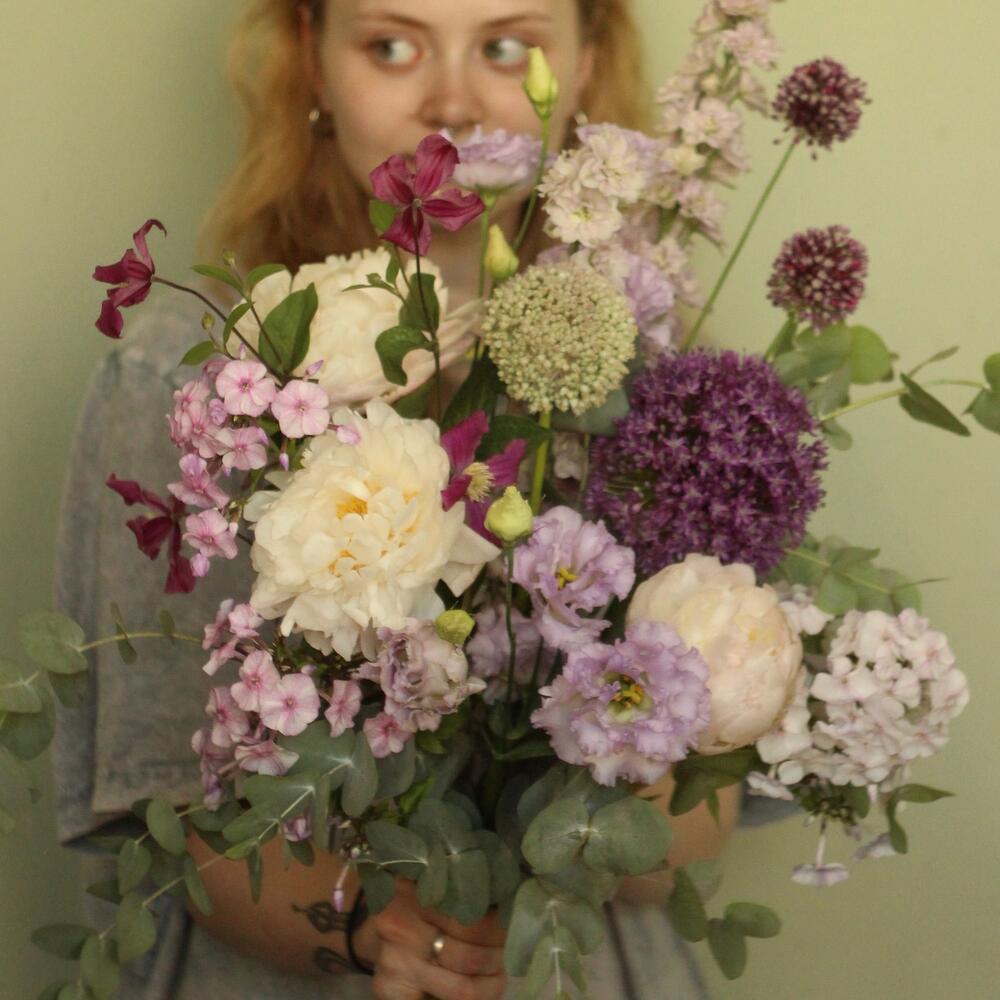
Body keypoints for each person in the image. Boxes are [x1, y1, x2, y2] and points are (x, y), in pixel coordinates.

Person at [54, 2, 787, 997]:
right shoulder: (191, 383)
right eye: (392, 45)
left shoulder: (665, 387)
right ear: (311, 58)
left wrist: (608, 798)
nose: (451, 101)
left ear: (585, 64)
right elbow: (167, 805)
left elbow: (697, 829)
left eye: (507, 47)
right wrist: (378, 932)